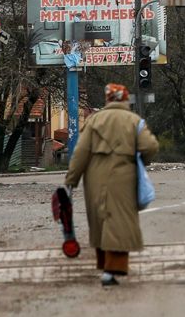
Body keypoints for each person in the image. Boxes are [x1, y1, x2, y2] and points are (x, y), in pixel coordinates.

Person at [65, 83, 159, 286]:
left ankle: (104, 265)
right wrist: (141, 159)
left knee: (100, 220)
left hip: (95, 176)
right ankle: (112, 269)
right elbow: (150, 146)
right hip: (123, 176)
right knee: (119, 220)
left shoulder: (94, 120)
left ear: (108, 100)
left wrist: (71, 180)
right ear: (125, 99)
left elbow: (80, 153)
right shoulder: (134, 121)